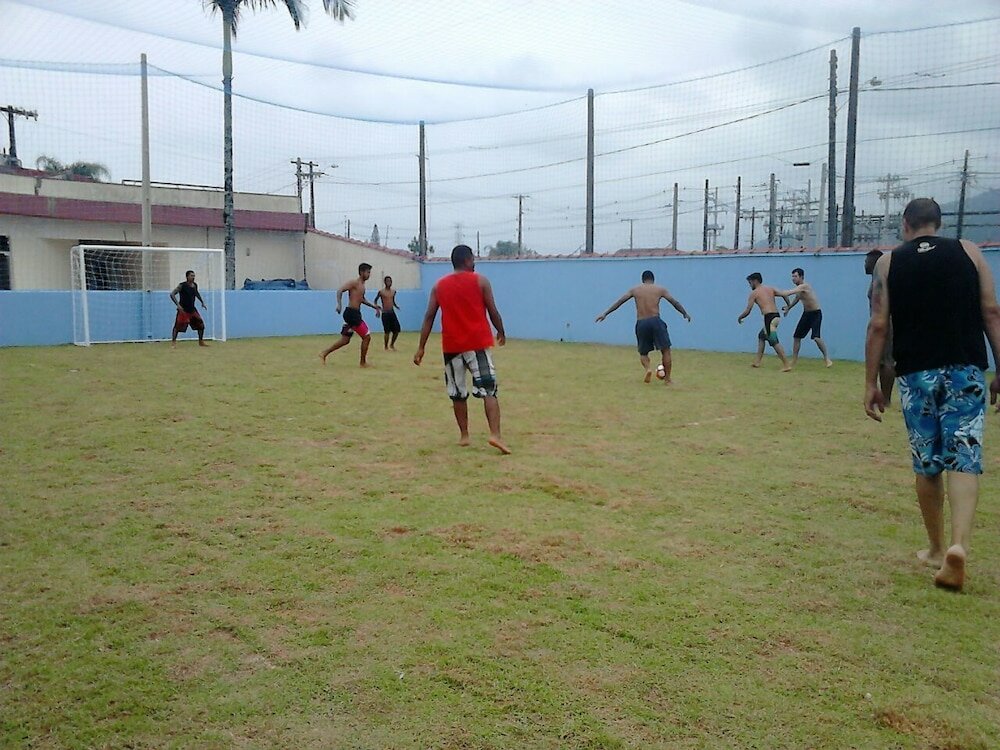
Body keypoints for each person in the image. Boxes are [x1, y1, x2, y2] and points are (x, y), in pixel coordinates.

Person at [864, 198, 1000, 592]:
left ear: (906, 224)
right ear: (937, 224)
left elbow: (878, 325)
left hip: (916, 375)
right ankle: (960, 543)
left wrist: (872, 383)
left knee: (927, 463)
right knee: (965, 457)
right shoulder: (969, 252)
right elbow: (991, 312)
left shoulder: (889, 263)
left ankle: (937, 549)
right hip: (965, 371)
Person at [414, 244, 510, 454]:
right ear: (467, 260)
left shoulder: (439, 286)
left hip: (451, 346)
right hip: (477, 344)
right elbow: (492, 310)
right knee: (489, 390)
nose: (474, 262)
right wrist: (501, 331)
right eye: (473, 259)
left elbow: (429, 316)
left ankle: (464, 435)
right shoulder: (481, 281)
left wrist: (421, 347)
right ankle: (495, 434)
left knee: (457, 392)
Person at [595, 270, 692, 384]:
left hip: (641, 322)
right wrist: (684, 313)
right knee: (666, 350)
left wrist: (605, 313)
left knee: (643, 353)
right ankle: (668, 380)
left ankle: (648, 369)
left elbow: (620, 301)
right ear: (653, 279)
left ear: (642, 280)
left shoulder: (635, 290)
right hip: (655, 321)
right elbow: (674, 302)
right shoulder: (660, 289)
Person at [320, 263, 380, 366]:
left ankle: (324, 353)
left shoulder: (362, 286)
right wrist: (339, 304)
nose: (369, 274)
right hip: (352, 314)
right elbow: (340, 290)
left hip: (353, 314)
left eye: (370, 272)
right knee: (367, 337)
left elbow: (362, 300)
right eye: (368, 272)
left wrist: (374, 307)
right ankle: (363, 363)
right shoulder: (354, 283)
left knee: (345, 340)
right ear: (362, 272)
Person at [778, 267, 833, 367]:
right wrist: (788, 308)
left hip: (816, 314)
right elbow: (797, 298)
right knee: (797, 336)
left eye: (795, 276)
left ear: (801, 277)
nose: (793, 278)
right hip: (806, 314)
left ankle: (827, 359)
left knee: (816, 337)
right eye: (792, 276)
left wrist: (777, 292)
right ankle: (794, 360)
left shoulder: (804, 286)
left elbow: (790, 292)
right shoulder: (799, 289)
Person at [737, 272, 792, 371]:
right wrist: (788, 305)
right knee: (762, 336)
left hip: (769, 318)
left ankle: (786, 364)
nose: (749, 285)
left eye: (750, 283)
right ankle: (757, 362)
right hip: (776, 316)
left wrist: (740, 317)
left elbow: (748, 310)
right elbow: (784, 294)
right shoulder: (770, 288)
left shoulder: (754, 293)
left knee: (774, 341)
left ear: (755, 281)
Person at [865, 250, 896, 405]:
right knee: (880, 361)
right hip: (878, 322)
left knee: (887, 360)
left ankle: (887, 398)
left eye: (867, 261)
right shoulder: (875, 280)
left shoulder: (883, 280)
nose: (865, 264)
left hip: (886, 323)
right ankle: (881, 395)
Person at [170, 270, 208, 348]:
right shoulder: (182, 285)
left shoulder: (195, 285)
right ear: (187, 277)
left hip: (192, 310)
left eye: (194, 276)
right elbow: (172, 294)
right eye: (191, 276)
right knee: (177, 326)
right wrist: (178, 305)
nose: (193, 277)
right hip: (183, 310)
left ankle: (201, 342)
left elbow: (196, 293)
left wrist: (202, 302)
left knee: (201, 325)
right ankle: (173, 342)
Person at [375, 275, 402, 351]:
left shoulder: (393, 292)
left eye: (390, 281)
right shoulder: (381, 292)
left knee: (397, 330)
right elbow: (375, 301)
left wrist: (396, 306)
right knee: (387, 331)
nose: (389, 282)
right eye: (387, 281)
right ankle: (386, 347)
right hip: (385, 313)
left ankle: (392, 345)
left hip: (392, 313)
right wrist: (377, 308)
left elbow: (392, 301)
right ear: (385, 282)